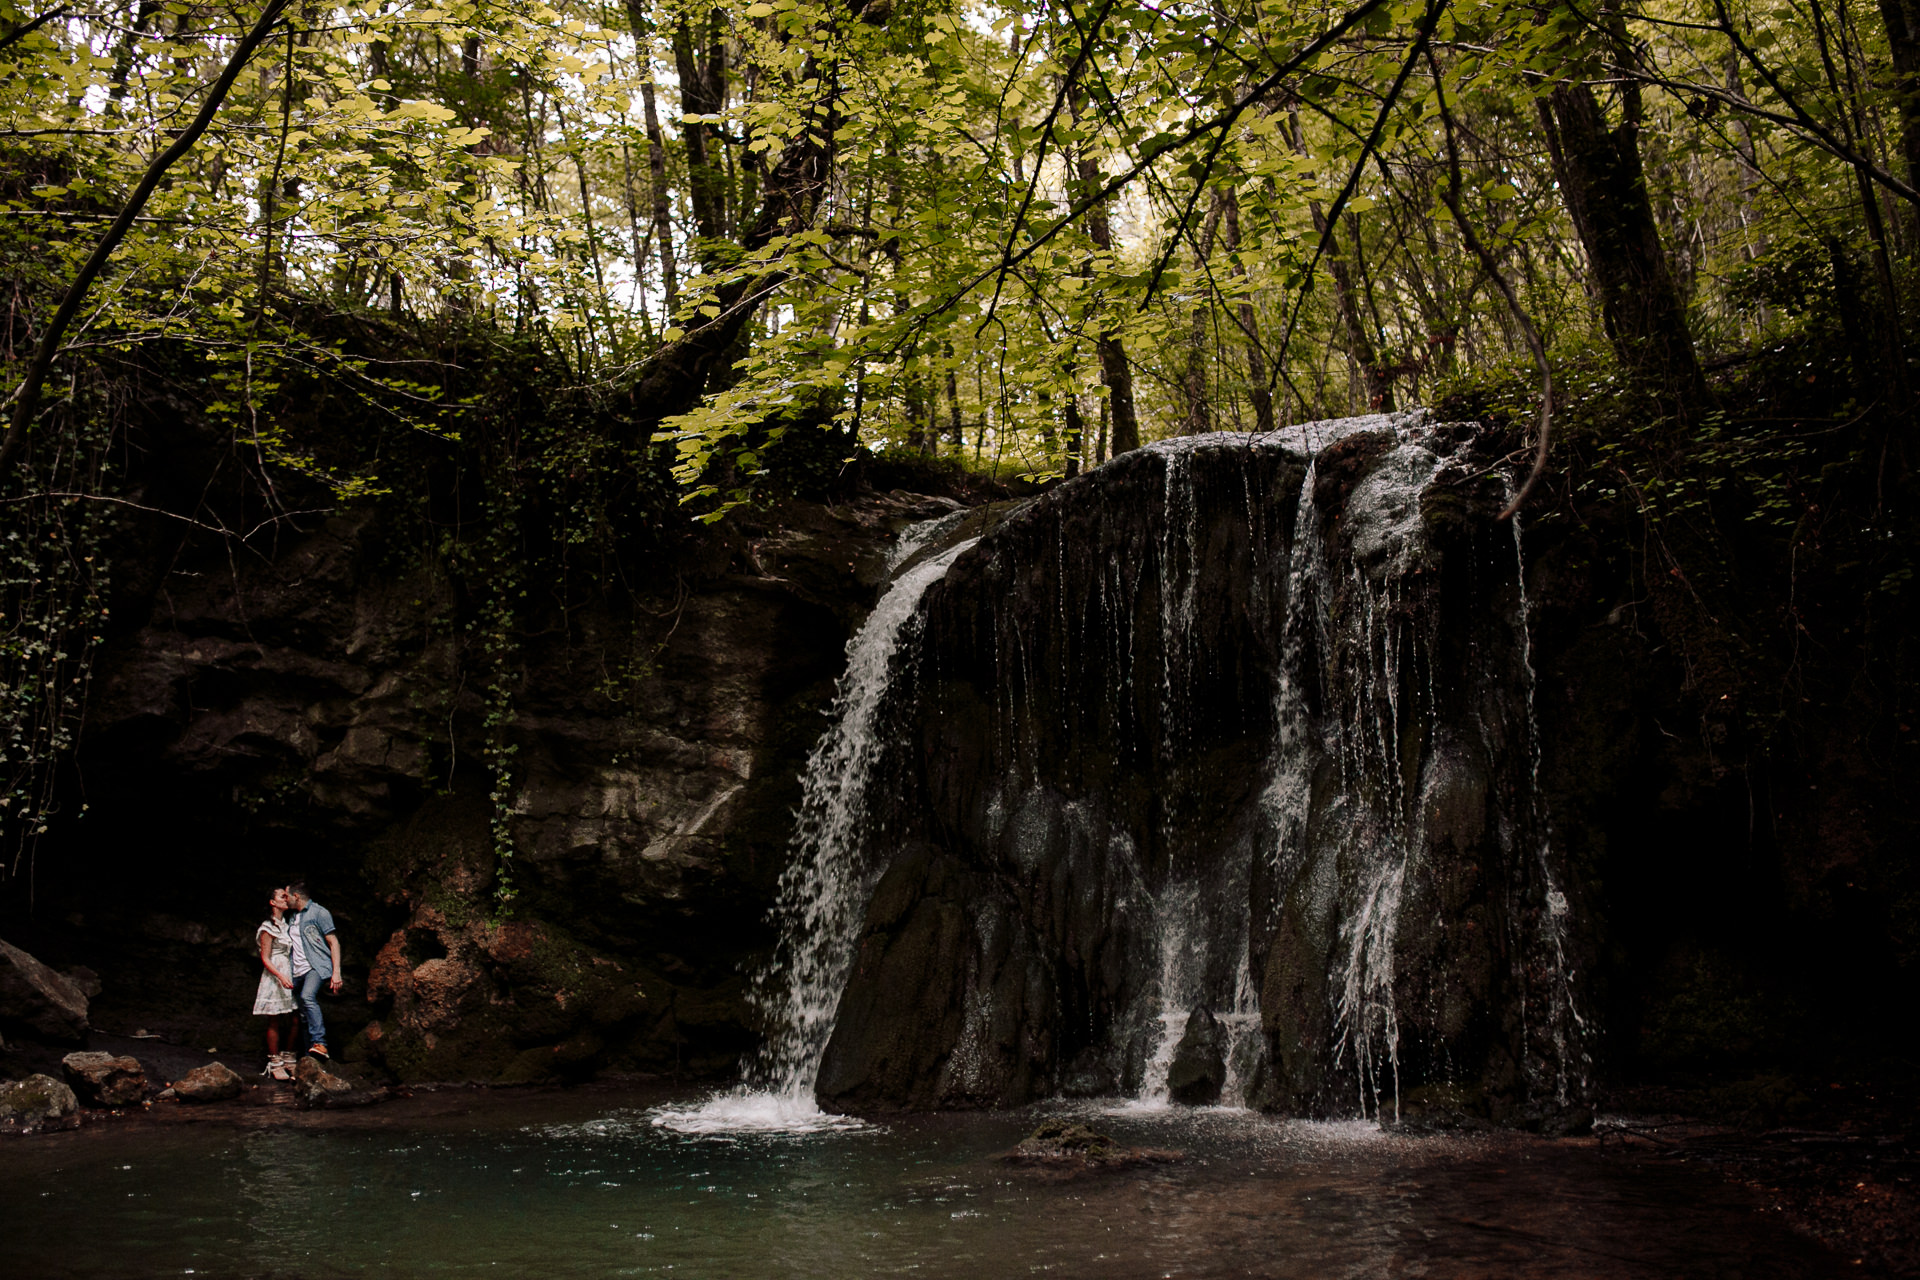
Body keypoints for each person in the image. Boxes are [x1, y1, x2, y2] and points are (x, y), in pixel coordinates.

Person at [285, 880, 343, 1060]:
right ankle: (308, 1057)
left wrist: (336, 972)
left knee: (307, 997)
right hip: (296, 970)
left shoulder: (319, 912)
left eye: (287, 896)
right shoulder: (292, 917)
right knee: (302, 1014)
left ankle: (321, 1043)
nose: (285, 900)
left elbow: (333, 942)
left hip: (315, 966)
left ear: (296, 896)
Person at [253, 887, 297, 1080]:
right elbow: (265, 957)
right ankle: (275, 1062)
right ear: (273, 902)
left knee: (296, 1017)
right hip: (275, 973)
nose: (286, 899)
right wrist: (280, 976)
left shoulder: (288, 924)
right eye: (282, 896)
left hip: (290, 970)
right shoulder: (267, 927)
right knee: (275, 1019)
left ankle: (289, 1057)